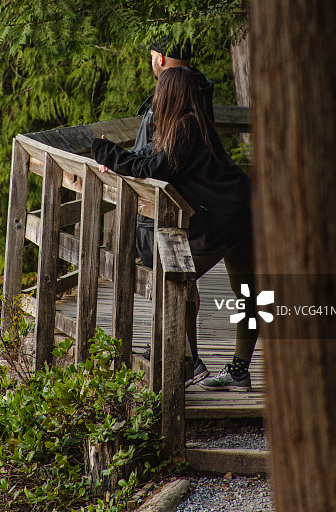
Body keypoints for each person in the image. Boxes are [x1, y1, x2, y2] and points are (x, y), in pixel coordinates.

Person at [92, 66, 258, 391]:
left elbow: (150, 167)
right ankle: (235, 369)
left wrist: (104, 150)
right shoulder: (193, 125)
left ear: (169, 94)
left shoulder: (185, 128)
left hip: (230, 220)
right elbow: (152, 158)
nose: (154, 97)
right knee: (246, 295)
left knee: (175, 281)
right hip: (246, 210)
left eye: (158, 91)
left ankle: (189, 361)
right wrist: (117, 157)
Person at [131, 39, 214, 269]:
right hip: (185, 208)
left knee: (169, 283)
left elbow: (158, 154)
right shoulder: (198, 91)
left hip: (168, 211)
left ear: (160, 59)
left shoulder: (178, 98)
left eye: (151, 56)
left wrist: (118, 157)